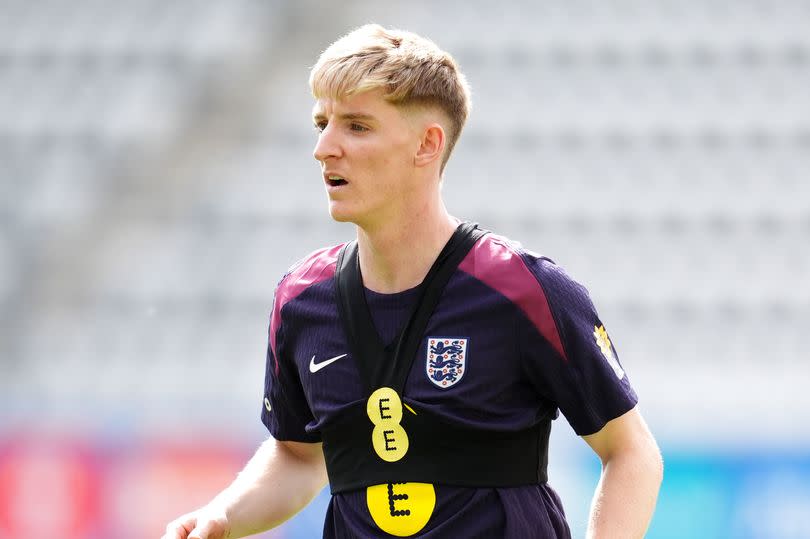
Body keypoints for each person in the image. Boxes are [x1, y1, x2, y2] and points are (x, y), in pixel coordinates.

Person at [162, 23, 663, 539]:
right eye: (321, 124)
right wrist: (223, 515)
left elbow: (630, 452)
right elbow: (297, 455)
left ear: (427, 144)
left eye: (356, 126)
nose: (325, 148)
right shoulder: (301, 300)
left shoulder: (524, 289)